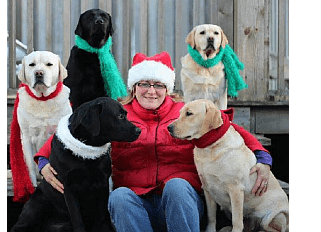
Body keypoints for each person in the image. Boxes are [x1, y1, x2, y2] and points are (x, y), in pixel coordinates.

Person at [34, 51, 273, 232]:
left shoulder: (185, 112)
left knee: (177, 186)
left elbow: (230, 129)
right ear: (134, 87)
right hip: (136, 203)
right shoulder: (116, 115)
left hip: (181, 202)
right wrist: (44, 160)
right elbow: (71, 130)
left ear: (167, 88)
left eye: (158, 85)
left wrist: (262, 158)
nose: (151, 91)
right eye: (144, 84)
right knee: (119, 197)